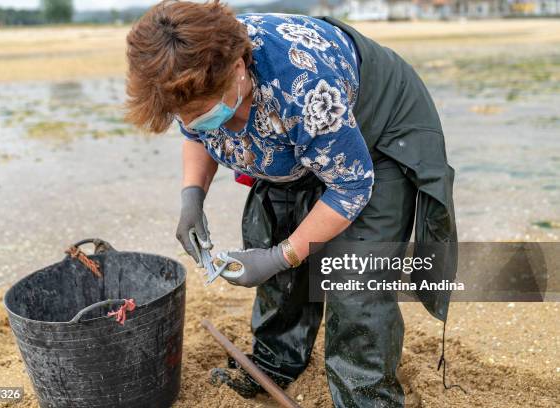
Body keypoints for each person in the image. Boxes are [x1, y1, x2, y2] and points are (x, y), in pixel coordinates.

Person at [124, 1, 458, 407]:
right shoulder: (182, 75)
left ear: (239, 69)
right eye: (186, 115)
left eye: (205, 111)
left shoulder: (302, 85)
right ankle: (275, 364)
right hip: (296, 134)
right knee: (271, 229)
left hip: (377, 131)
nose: (196, 120)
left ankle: (366, 397)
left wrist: (280, 257)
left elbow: (351, 187)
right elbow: (198, 136)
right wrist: (192, 197)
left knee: (356, 277)